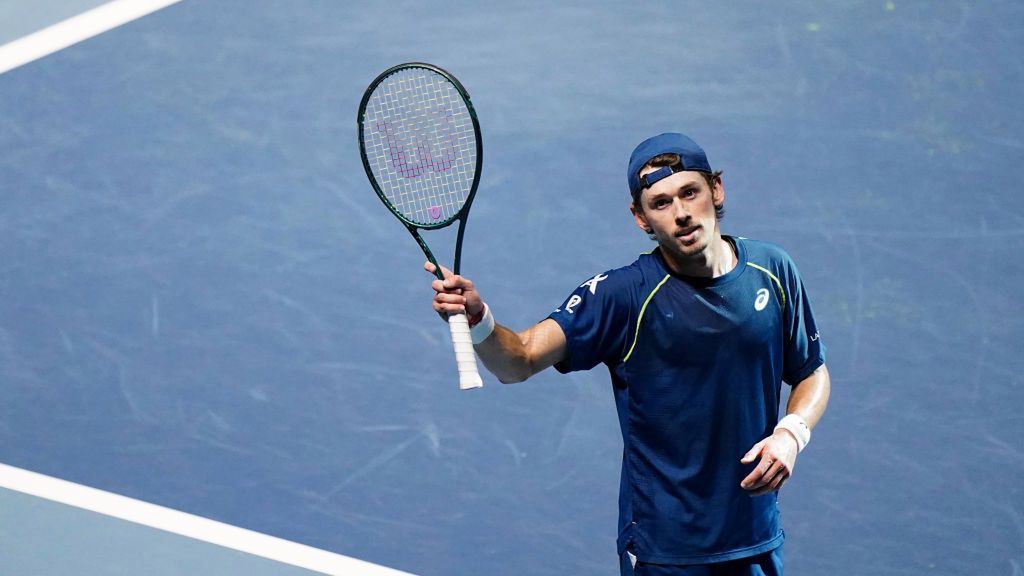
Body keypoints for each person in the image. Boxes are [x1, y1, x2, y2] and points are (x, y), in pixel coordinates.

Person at [427, 132, 831, 575]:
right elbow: (518, 360)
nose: (680, 214)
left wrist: (791, 435)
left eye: (689, 193)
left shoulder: (773, 271)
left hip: (756, 537)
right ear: (640, 218)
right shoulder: (623, 296)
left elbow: (811, 372)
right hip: (666, 551)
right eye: (660, 203)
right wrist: (479, 317)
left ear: (716, 190)